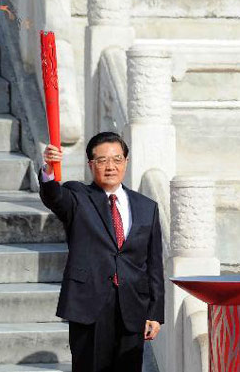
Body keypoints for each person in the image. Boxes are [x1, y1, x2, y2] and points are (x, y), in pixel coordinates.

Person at [40, 132, 164, 372]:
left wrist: (155, 313)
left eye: (117, 159)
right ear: (90, 164)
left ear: (126, 162)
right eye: (102, 160)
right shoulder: (77, 196)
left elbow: (154, 264)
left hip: (132, 306)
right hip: (90, 305)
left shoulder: (146, 207)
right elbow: (53, 195)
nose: (110, 167)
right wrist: (49, 168)